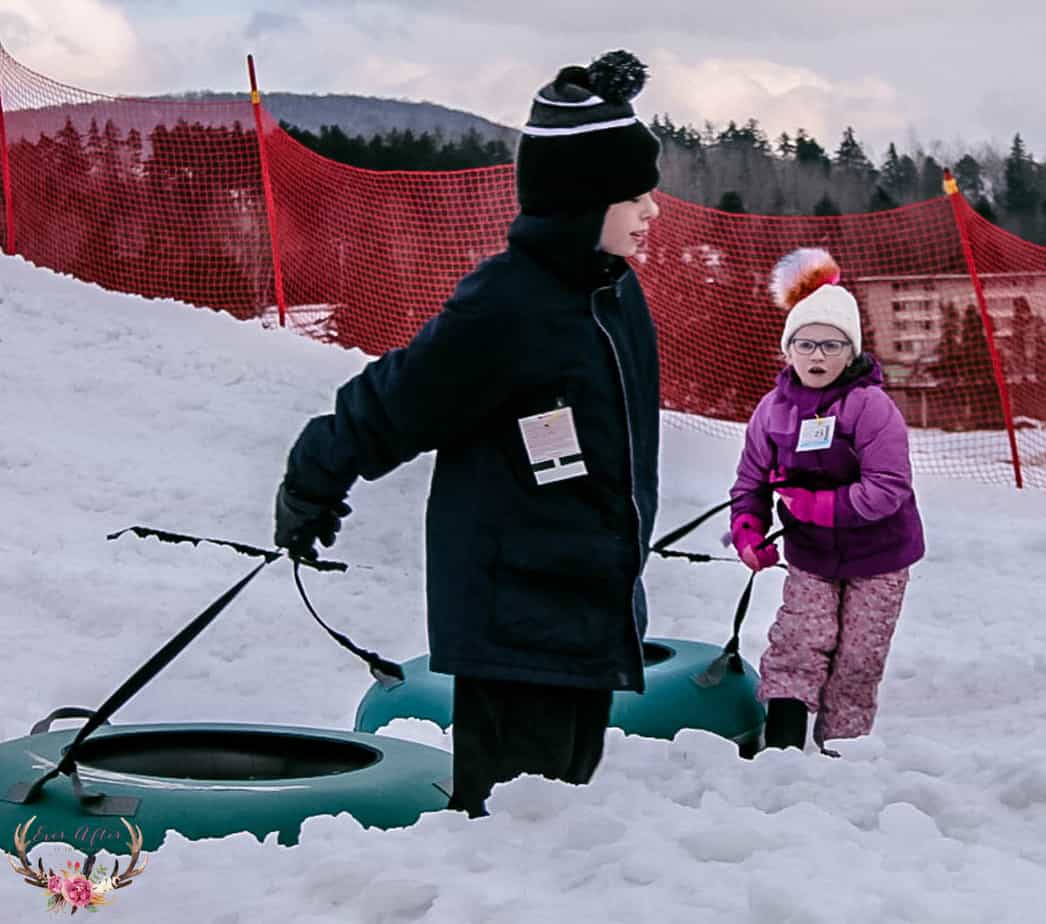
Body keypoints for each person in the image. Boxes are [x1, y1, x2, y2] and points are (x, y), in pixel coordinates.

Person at [273, 50, 662, 816]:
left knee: (560, 816)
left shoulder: (612, 295)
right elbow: (399, 399)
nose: (652, 210)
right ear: (582, 202)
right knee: (517, 830)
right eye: (634, 196)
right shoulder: (508, 304)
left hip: (589, 605)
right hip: (516, 613)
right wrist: (315, 477)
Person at [729, 248, 925, 755]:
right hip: (812, 557)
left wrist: (813, 507)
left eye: (832, 345)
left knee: (858, 657)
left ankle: (843, 752)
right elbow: (750, 479)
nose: (817, 356)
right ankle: (784, 749)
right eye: (806, 343)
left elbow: (888, 488)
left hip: (879, 558)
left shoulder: (870, 407)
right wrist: (749, 529)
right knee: (799, 640)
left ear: (851, 352)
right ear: (787, 349)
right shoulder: (772, 412)